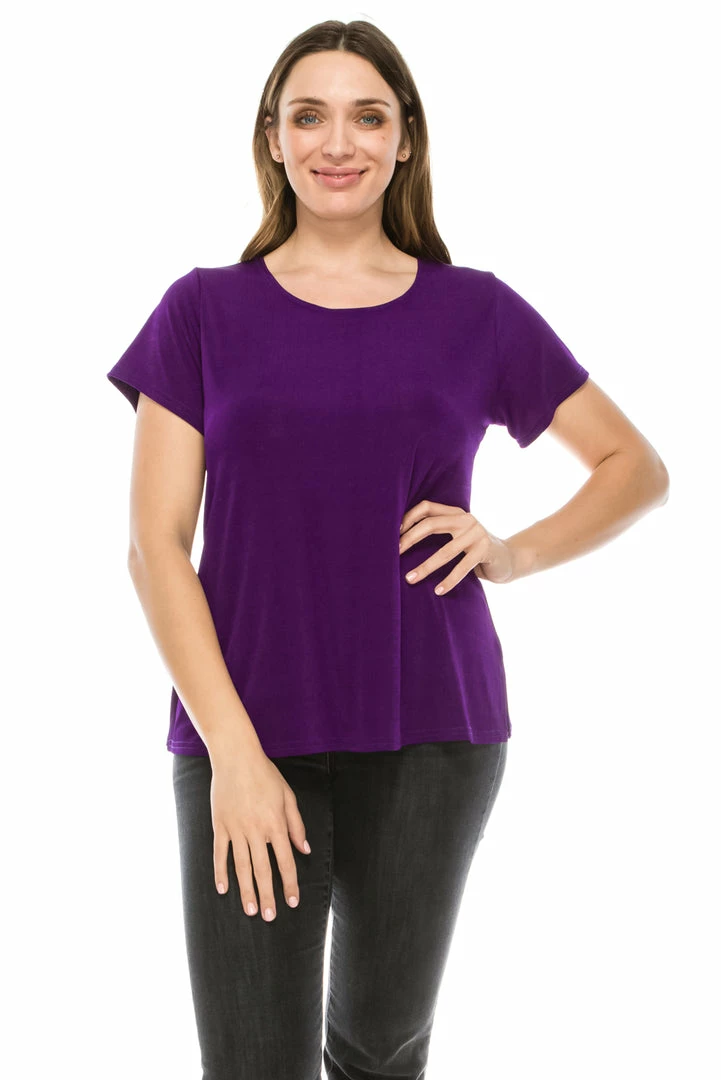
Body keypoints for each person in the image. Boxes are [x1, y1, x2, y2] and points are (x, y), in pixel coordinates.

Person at [106, 19, 670, 1080]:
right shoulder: (201, 312)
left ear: (405, 138)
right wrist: (234, 754)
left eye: (367, 116)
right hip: (245, 729)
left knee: (377, 1051)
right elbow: (155, 546)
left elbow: (633, 467)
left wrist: (512, 552)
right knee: (252, 1064)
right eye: (308, 116)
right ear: (271, 138)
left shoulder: (475, 311)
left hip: (432, 733)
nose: (338, 143)